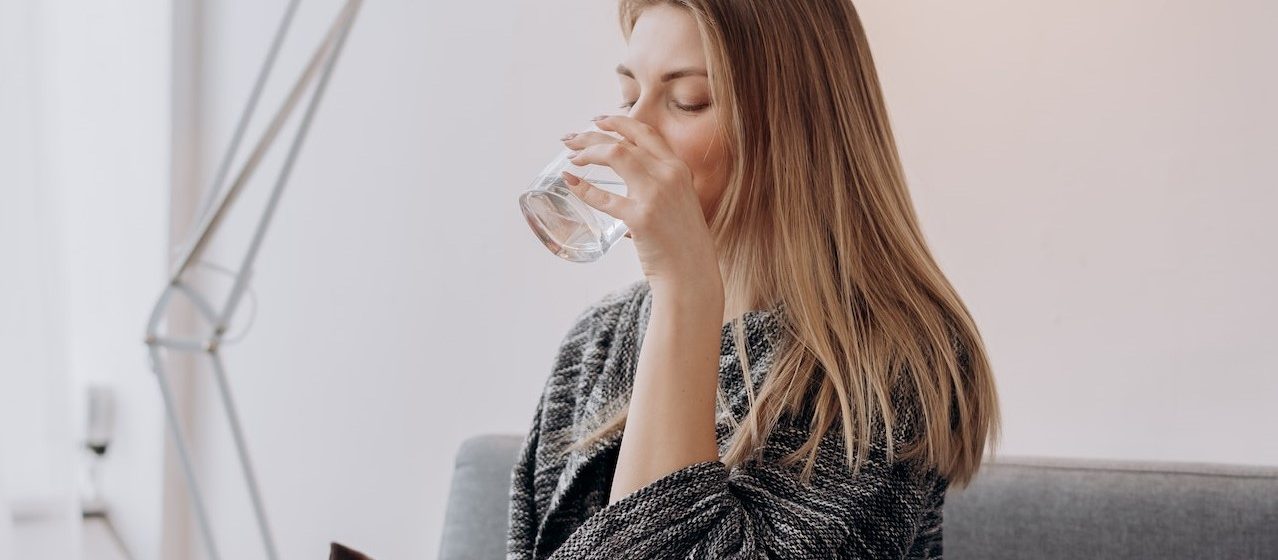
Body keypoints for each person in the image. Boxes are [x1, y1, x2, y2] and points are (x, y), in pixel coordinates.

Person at [507, 1, 1001, 558]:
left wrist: (686, 292)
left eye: (687, 101)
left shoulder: (888, 362)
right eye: (628, 97)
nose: (630, 133)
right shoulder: (602, 337)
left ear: (795, 126)